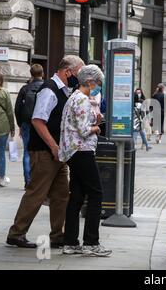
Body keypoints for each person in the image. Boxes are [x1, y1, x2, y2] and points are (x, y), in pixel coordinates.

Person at [6, 55, 84, 249]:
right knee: (36, 193)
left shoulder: (64, 90)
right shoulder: (49, 90)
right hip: (45, 152)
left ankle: (58, 235)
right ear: (67, 72)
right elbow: (37, 121)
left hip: (57, 153)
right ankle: (16, 233)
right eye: (78, 74)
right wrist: (53, 146)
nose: (79, 79)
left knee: (61, 195)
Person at [59, 65, 112, 257]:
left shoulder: (72, 97)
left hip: (73, 152)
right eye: (97, 83)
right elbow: (83, 130)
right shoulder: (82, 100)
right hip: (82, 151)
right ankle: (91, 242)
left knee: (77, 196)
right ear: (89, 81)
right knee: (96, 194)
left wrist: (94, 123)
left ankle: (71, 242)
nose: (98, 87)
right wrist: (97, 128)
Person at [14, 64, 44, 189]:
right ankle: (39, 181)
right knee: (42, 153)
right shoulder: (46, 87)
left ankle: (28, 181)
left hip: (27, 123)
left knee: (27, 152)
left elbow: (17, 109)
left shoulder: (25, 89)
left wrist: (20, 124)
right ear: (42, 73)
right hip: (42, 124)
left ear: (31, 74)